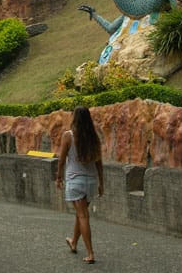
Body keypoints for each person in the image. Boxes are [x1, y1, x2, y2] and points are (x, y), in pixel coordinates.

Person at [56, 106, 104, 264]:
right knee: (80, 213)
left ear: (74, 118)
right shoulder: (93, 136)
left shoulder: (68, 136)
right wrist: (101, 183)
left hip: (75, 181)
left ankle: (91, 253)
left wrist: (58, 176)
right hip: (90, 181)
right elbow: (99, 163)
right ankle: (74, 242)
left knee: (83, 215)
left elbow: (62, 160)